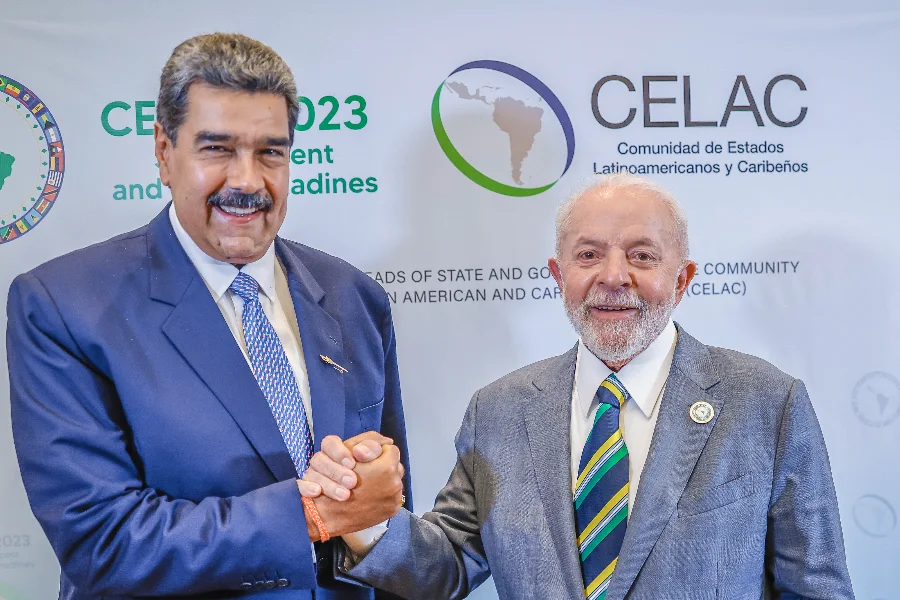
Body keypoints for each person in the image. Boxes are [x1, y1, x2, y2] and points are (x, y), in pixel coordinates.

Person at [302, 173, 855, 600]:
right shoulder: (497, 411)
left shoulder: (766, 402)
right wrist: (366, 517)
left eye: (642, 255)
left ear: (683, 279)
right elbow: (445, 566)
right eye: (588, 255)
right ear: (558, 275)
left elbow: (816, 589)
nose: (613, 276)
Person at [7, 33, 408, 599]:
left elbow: (382, 511)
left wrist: (374, 495)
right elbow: (103, 543)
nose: (247, 180)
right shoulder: (62, 304)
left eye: (270, 151)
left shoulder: (354, 296)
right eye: (217, 149)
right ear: (164, 152)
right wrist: (310, 515)